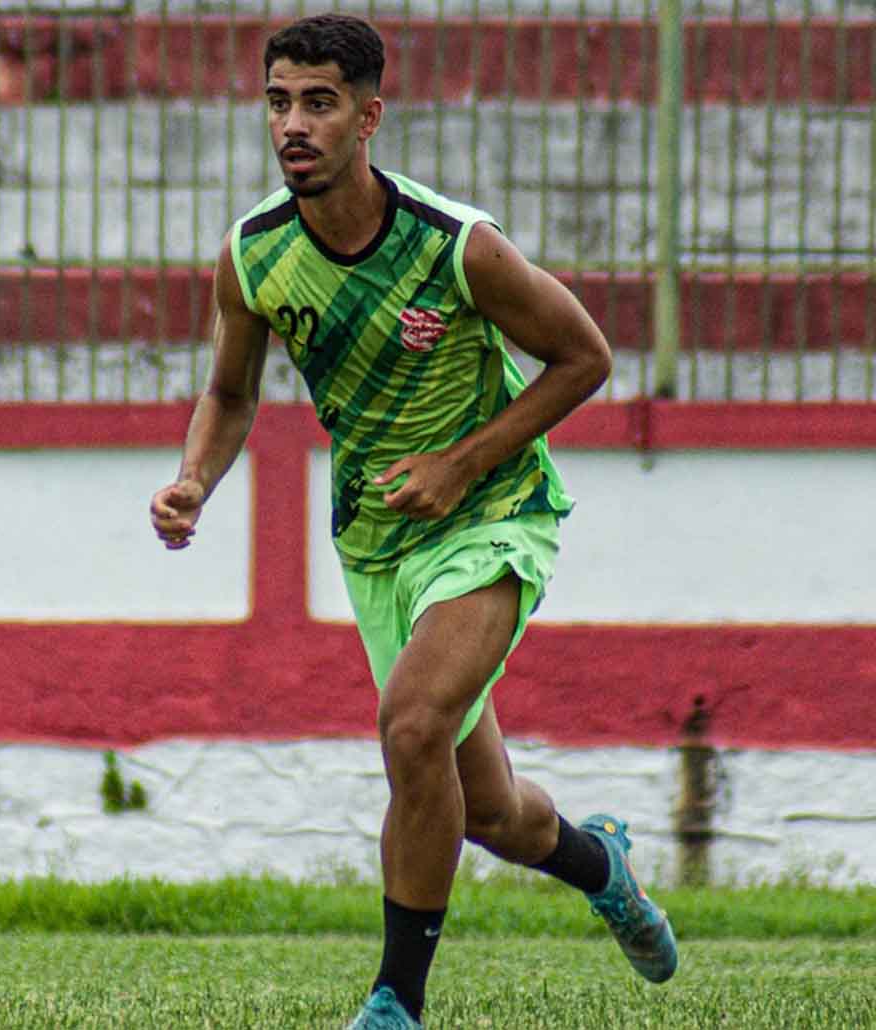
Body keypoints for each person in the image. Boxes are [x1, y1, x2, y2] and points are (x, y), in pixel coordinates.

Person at [149, 12, 677, 1028]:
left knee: (410, 723)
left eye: (318, 102)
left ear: (367, 116)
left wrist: (461, 461)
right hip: (375, 546)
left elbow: (584, 359)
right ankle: (598, 864)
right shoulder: (254, 255)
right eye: (277, 101)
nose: (292, 124)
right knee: (489, 814)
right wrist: (192, 481)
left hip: (492, 516)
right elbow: (227, 392)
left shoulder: (454, 246)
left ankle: (394, 1002)